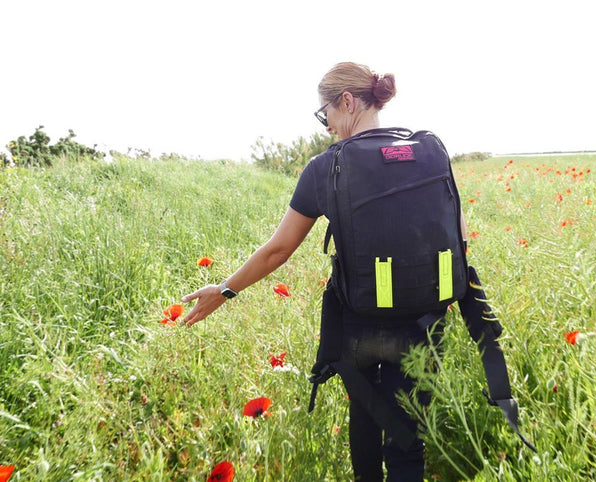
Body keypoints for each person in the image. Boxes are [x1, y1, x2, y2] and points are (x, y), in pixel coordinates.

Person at [182, 61, 466, 481]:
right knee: (408, 439)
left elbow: (278, 250)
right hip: (424, 322)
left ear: (347, 102)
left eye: (325, 112)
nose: (327, 125)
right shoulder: (428, 153)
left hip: (361, 327)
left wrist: (223, 290)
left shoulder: (325, 167)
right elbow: (459, 236)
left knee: (367, 419)